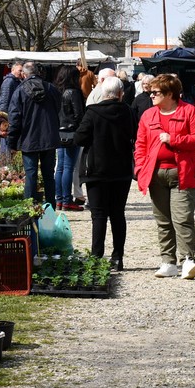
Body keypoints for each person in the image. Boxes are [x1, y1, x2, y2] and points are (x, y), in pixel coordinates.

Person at [134, 74, 195, 279]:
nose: (151, 96)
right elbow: (140, 145)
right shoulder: (148, 116)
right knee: (163, 220)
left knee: (182, 218)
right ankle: (168, 262)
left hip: (183, 173)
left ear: (170, 93)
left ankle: (188, 260)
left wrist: (173, 139)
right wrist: (140, 167)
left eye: (155, 92)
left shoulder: (188, 111)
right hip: (155, 174)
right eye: (151, 92)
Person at [74, 77, 136, 272]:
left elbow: (79, 138)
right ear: (120, 94)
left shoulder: (92, 112)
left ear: (102, 92)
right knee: (118, 214)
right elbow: (135, 133)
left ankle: (96, 256)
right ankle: (118, 258)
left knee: (98, 215)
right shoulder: (127, 111)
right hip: (121, 170)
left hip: (96, 170)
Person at [7, 61, 62, 205]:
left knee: (31, 175)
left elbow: (14, 119)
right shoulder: (51, 88)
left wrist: (11, 143)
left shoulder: (19, 91)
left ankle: (29, 208)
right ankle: (50, 207)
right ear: (38, 73)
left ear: (24, 75)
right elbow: (58, 109)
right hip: (49, 137)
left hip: (28, 138)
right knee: (49, 175)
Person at [54, 65, 85, 211]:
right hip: (71, 132)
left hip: (58, 131)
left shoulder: (57, 91)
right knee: (67, 167)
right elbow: (78, 114)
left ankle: (59, 199)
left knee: (60, 167)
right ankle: (66, 200)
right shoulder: (73, 92)